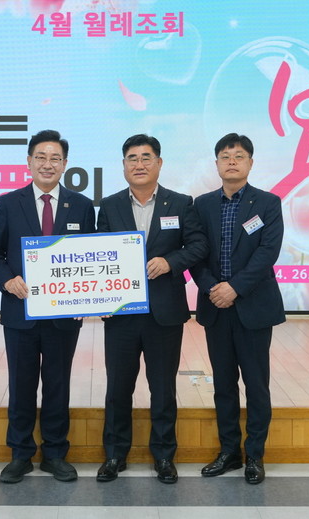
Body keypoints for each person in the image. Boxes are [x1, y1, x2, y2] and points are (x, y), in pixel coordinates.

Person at [0, 129, 96, 484]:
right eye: (41, 157)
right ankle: (20, 454)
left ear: (65, 164)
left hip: (64, 315)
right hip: (21, 311)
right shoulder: (9, 202)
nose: (48, 164)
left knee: (58, 385)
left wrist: (87, 296)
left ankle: (55, 453)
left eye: (55, 158)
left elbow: (90, 257)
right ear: (29, 161)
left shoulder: (81, 205)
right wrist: (7, 280)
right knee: (21, 385)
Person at [95, 134, 207, 484]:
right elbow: (98, 254)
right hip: (121, 313)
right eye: (132, 158)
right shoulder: (109, 206)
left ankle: (164, 456)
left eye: (146, 157)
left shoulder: (181, 203)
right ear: (123, 165)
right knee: (118, 389)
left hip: (164, 312)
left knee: (163, 389)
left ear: (159, 163)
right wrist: (100, 298)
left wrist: (170, 262)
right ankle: (115, 455)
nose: (139, 164)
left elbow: (198, 245)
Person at [191, 133, 285, 485]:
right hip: (216, 306)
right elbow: (195, 252)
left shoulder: (268, 203)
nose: (232, 161)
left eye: (239, 156)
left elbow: (267, 253)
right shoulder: (201, 205)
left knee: (256, 385)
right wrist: (211, 288)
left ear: (250, 163)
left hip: (253, 307)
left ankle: (255, 455)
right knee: (223, 385)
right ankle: (229, 451)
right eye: (225, 156)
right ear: (216, 164)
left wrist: (235, 288)